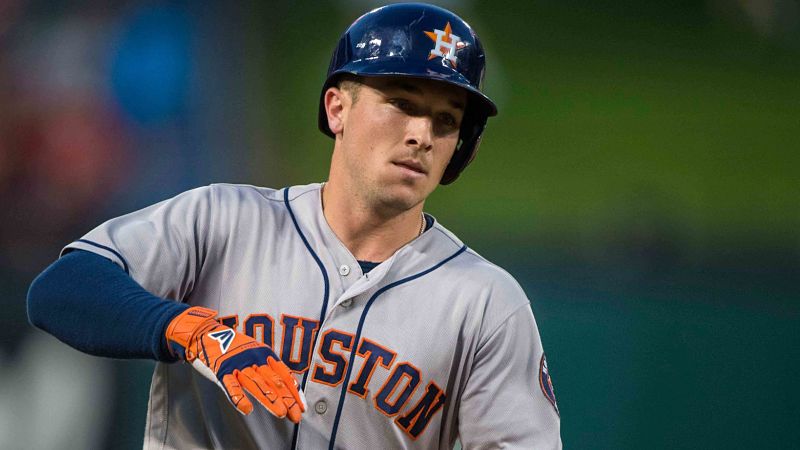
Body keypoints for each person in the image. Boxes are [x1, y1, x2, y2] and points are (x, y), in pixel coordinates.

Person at [27, 3, 562, 449]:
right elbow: (63, 289)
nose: (422, 134)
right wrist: (194, 332)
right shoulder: (226, 221)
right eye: (401, 103)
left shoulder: (486, 303)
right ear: (337, 109)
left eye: (446, 121)